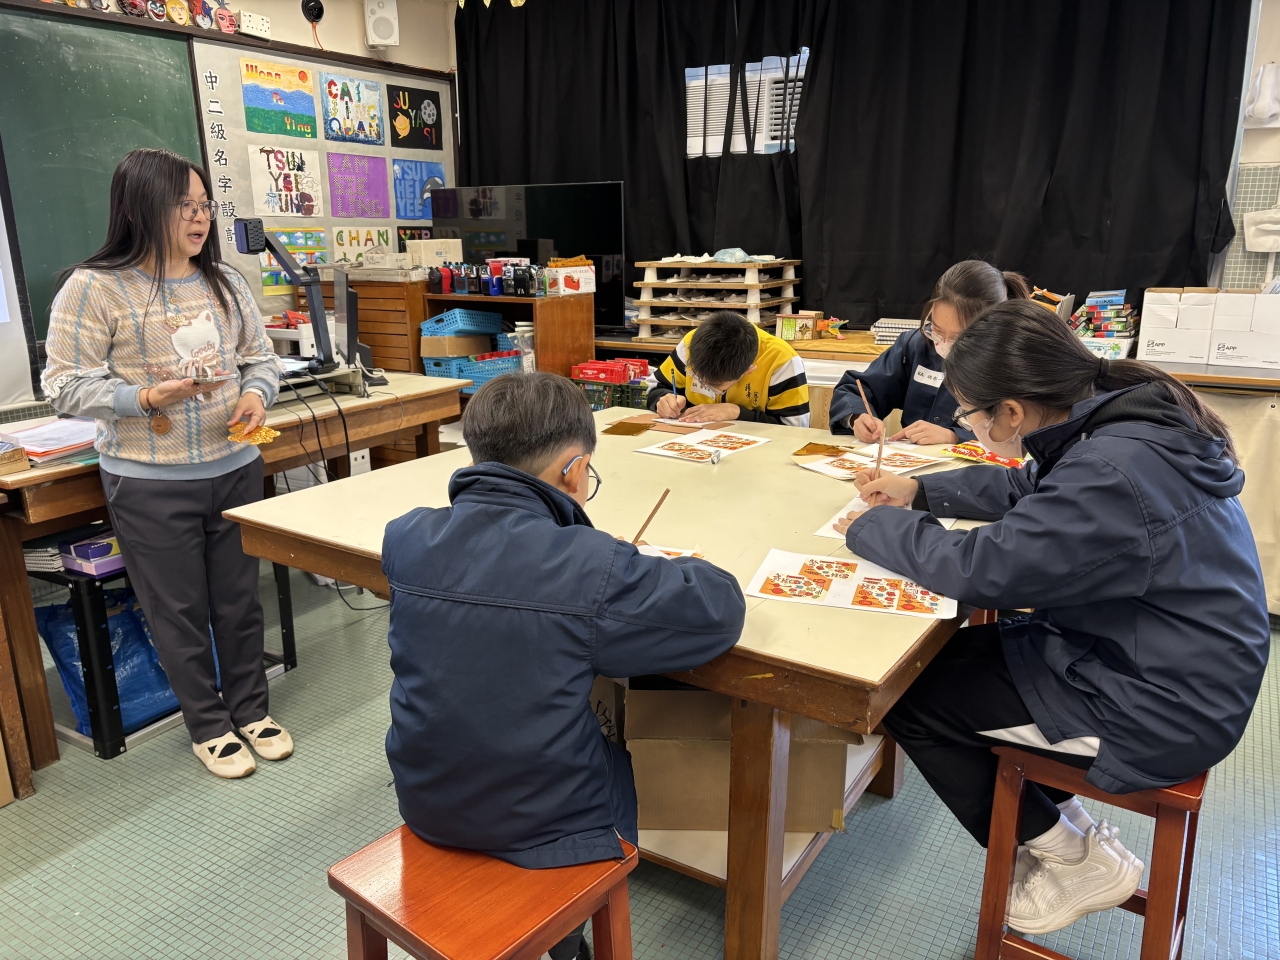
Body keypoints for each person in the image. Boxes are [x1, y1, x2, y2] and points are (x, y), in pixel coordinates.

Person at [837, 300, 1270, 935]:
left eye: (969, 414)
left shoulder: (1112, 469)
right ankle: (1072, 829)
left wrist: (876, 528)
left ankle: (1069, 856)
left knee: (906, 697)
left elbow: (986, 569)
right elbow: (1031, 489)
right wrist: (923, 489)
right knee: (940, 667)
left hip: (1163, 705)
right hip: (1156, 653)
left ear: (1010, 412)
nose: (968, 424)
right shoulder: (1114, 419)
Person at [383, 372, 745, 960]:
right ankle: (568, 939)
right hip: (547, 831)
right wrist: (619, 562)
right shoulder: (590, 565)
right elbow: (719, 611)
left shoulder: (406, 537)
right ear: (575, 471)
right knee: (614, 752)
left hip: (426, 801)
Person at [42, 148, 291, 780]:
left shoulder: (224, 280)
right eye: (185, 206)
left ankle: (251, 710)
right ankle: (208, 725)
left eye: (205, 205)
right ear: (140, 208)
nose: (200, 218)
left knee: (240, 602)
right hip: (149, 481)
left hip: (235, 465)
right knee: (176, 612)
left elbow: (261, 358)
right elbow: (64, 386)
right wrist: (146, 398)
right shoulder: (94, 287)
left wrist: (257, 394)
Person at [829, 260, 1029, 444]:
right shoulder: (917, 346)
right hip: (913, 465)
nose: (944, 344)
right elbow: (857, 389)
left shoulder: (1017, 363)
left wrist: (955, 436)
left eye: (959, 338)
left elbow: (1023, 435)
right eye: (937, 330)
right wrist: (858, 417)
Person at [645, 310, 810, 425]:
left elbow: (795, 430)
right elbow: (655, 387)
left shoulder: (781, 360)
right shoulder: (691, 344)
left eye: (715, 387)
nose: (703, 386)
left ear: (748, 370)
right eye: (697, 378)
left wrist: (737, 413)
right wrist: (663, 399)